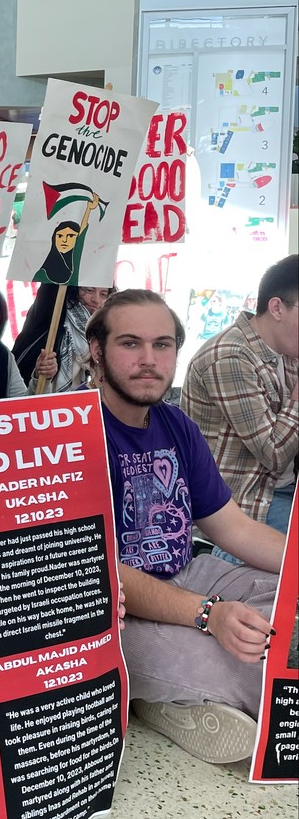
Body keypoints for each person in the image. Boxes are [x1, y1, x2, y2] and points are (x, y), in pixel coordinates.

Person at [87, 289, 285, 764]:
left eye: (163, 345)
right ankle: (163, 694)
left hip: (190, 573)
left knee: (286, 603)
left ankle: (164, 695)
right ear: (97, 350)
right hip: (112, 611)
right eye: (130, 344)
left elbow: (232, 528)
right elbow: (99, 569)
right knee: (244, 665)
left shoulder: (176, 424)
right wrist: (208, 615)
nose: (149, 360)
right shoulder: (70, 430)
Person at [180, 255, 297, 547]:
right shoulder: (230, 356)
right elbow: (273, 455)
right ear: (277, 308)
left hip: (281, 490)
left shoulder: (287, 351)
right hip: (243, 507)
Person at [13, 283, 113, 393]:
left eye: (103, 294)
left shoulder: (100, 331)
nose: (96, 300)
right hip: (29, 392)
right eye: (89, 290)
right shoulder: (52, 310)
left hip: (71, 404)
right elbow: (52, 283)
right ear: (75, 289)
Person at [34, 195, 99, 285]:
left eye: (71, 236)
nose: (64, 240)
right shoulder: (43, 272)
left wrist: (88, 209)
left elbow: (82, 233)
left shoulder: (75, 262)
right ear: (54, 238)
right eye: (60, 236)